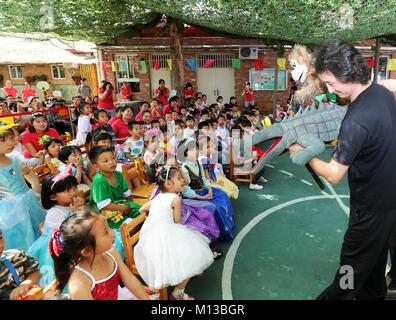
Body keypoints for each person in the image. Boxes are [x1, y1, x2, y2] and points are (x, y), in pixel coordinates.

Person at [289, 40, 396, 300]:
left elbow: (334, 173)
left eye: (332, 82)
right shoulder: (381, 93)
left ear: (349, 75)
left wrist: (301, 154)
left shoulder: (356, 121)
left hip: (368, 211)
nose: (329, 88)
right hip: (389, 204)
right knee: (373, 265)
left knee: (347, 275)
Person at [134, 166, 214, 299]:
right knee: (191, 255)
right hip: (165, 236)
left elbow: (141, 209)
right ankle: (178, 292)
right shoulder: (176, 199)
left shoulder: (156, 198)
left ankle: (191, 272)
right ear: (169, 184)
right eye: (179, 178)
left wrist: (149, 217)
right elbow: (177, 222)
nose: (183, 180)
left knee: (189, 249)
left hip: (150, 239)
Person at [49, 210, 150, 300]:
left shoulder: (112, 252)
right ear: (87, 251)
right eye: (106, 232)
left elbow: (130, 280)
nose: (113, 232)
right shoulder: (79, 285)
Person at [28, 174, 83, 288]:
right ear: (53, 197)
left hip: (76, 237)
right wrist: (77, 212)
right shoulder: (54, 213)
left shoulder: (72, 203)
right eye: (68, 190)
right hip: (58, 246)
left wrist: (80, 210)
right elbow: (66, 235)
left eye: (74, 188)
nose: (74, 192)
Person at [0, 125, 45, 251]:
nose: (11, 142)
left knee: (36, 228)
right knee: (22, 235)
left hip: (28, 199)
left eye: (11, 138)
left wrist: (36, 186)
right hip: (10, 208)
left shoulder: (14, 158)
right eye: (3, 140)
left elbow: (27, 172)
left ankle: (39, 253)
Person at [179, 139, 235, 240]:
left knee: (222, 195)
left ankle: (228, 225)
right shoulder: (184, 169)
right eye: (191, 150)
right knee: (216, 208)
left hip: (204, 191)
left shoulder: (199, 162)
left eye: (196, 148)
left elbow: (204, 179)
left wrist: (209, 188)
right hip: (194, 197)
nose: (196, 151)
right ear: (184, 153)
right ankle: (220, 233)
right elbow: (186, 190)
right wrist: (202, 197)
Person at [88, 146, 141, 224]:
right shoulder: (99, 180)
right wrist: (125, 208)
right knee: (131, 226)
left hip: (121, 205)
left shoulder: (118, 174)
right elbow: (104, 205)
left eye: (113, 158)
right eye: (106, 161)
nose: (111, 162)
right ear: (96, 166)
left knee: (143, 212)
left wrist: (132, 206)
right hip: (105, 213)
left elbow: (127, 194)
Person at [0, 228, 41, 300]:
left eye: (0, 238)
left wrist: (26, 283)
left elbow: (35, 272)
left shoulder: (17, 255)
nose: (0, 245)